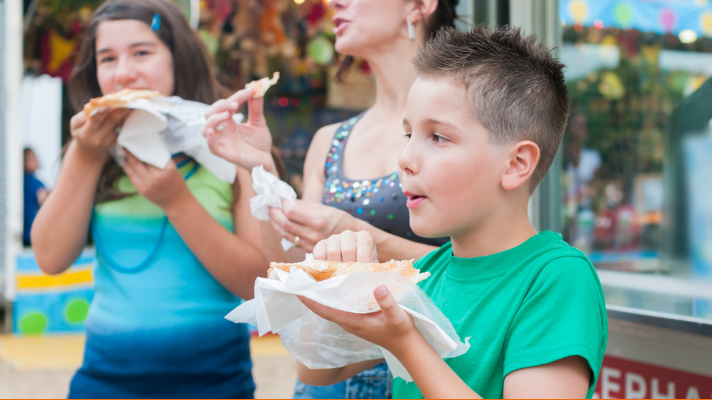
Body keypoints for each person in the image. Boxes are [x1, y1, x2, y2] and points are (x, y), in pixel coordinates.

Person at [293, 27, 608, 399]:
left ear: (516, 164)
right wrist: (337, 281)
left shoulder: (557, 278)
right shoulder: (426, 274)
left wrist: (406, 344)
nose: (405, 159)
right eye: (408, 135)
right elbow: (317, 368)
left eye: (438, 137)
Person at [202, 0, 458, 397]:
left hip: (426, 377)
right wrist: (263, 173)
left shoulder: (459, 131)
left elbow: (478, 266)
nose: (335, 2)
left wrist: (357, 231)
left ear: (419, 5)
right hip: (326, 378)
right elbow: (292, 276)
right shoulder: (331, 140)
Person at [30, 0, 279, 397]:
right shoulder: (93, 150)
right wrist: (86, 154)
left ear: (178, 59)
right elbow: (50, 258)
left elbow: (260, 283)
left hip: (215, 381)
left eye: (142, 53)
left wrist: (177, 203)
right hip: (103, 380)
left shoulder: (233, 147)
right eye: (107, 58)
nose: (124, 73)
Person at [23, 147, 48, 246]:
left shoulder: (18, 180)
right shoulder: (35, 183)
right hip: (33, 234)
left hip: (24, 234)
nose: (37, 161)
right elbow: (46, 202)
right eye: (33, 158)